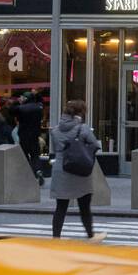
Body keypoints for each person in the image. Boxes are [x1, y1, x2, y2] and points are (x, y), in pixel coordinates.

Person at [48, 99, 105, 241]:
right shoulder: (83, 128)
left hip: (61, 169)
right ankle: (90, 235)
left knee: (60, 206)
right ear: (80, 113)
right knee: (84, 205)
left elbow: (56, 149)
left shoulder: (55, 130)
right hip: (80, 170)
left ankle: (56, 237)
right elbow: (94, 144)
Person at [13, 90, 46, 185]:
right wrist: (38, 94)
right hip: (35, 135)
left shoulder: (21, 108)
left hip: (24, 135)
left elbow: (12, 111)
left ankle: (27, 174)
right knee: (35, 155)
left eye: (22, 97)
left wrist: (18, 102)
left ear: (26, 99)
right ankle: (38, 170)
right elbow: (41, 101)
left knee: (24, 155)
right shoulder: (39, 107)